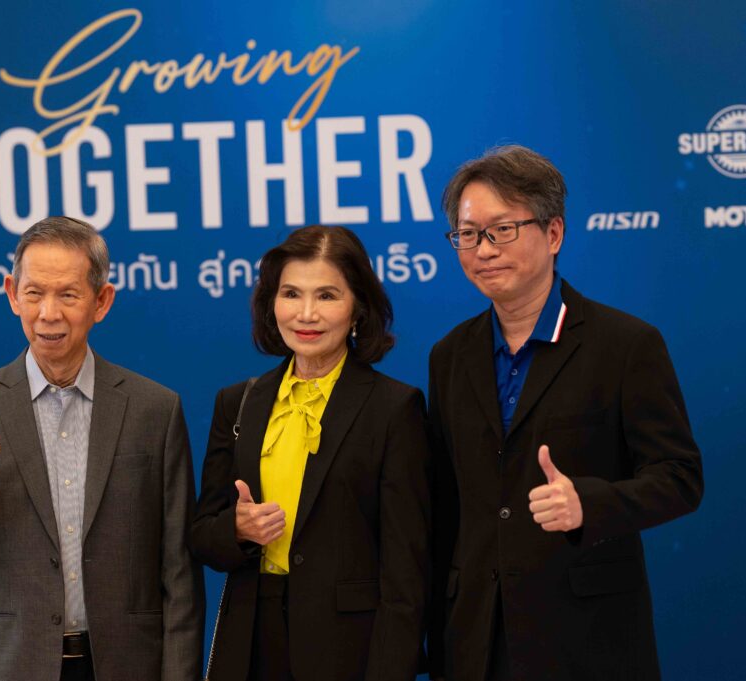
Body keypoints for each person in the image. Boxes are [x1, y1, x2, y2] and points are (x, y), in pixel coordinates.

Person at [427, 146, 704, 681]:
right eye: (468, 234)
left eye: (502, 230)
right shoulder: (450, 356)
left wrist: (590, 503)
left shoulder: (625, 345)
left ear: (553, 234)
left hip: (586, 638)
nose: (483, 250)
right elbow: (445, 502)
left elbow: (680, 478)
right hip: (477, 640)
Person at [0, 217, 204, 681]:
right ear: (12, 294)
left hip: (127, 665)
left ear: (101, 301)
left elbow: (179, 573)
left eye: (68, 295)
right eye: (34, 293)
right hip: (10, 666)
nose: (49, 313)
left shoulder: (155, 410)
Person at [189, 225, 430, 681]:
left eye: (326, 295)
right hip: (251, 643)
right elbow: (203, 536)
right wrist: (236, 530)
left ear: (358, 307)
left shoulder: (394, 408)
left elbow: (407, 571)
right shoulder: (238, 403)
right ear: (271, 304)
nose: (306, 313)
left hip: (348, 651)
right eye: (291, 294)